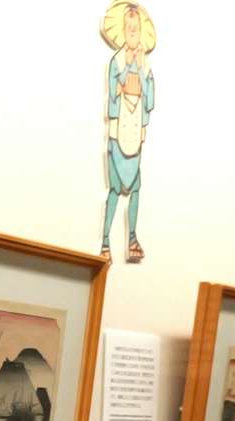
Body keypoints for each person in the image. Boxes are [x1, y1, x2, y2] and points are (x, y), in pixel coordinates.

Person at [101, 2, 155, 263]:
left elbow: (150, 99)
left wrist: (141, 74)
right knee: (114, 189)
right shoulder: (116, 61)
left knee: (136, 187)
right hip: (118, 132)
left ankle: (132, 236)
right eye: (129, 28)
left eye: (137, 29)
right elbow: (113, 92)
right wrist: (125, 75)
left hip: (135, 133)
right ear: (124, 31)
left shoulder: (145, 64)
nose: (133, 32)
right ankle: (105, 241)